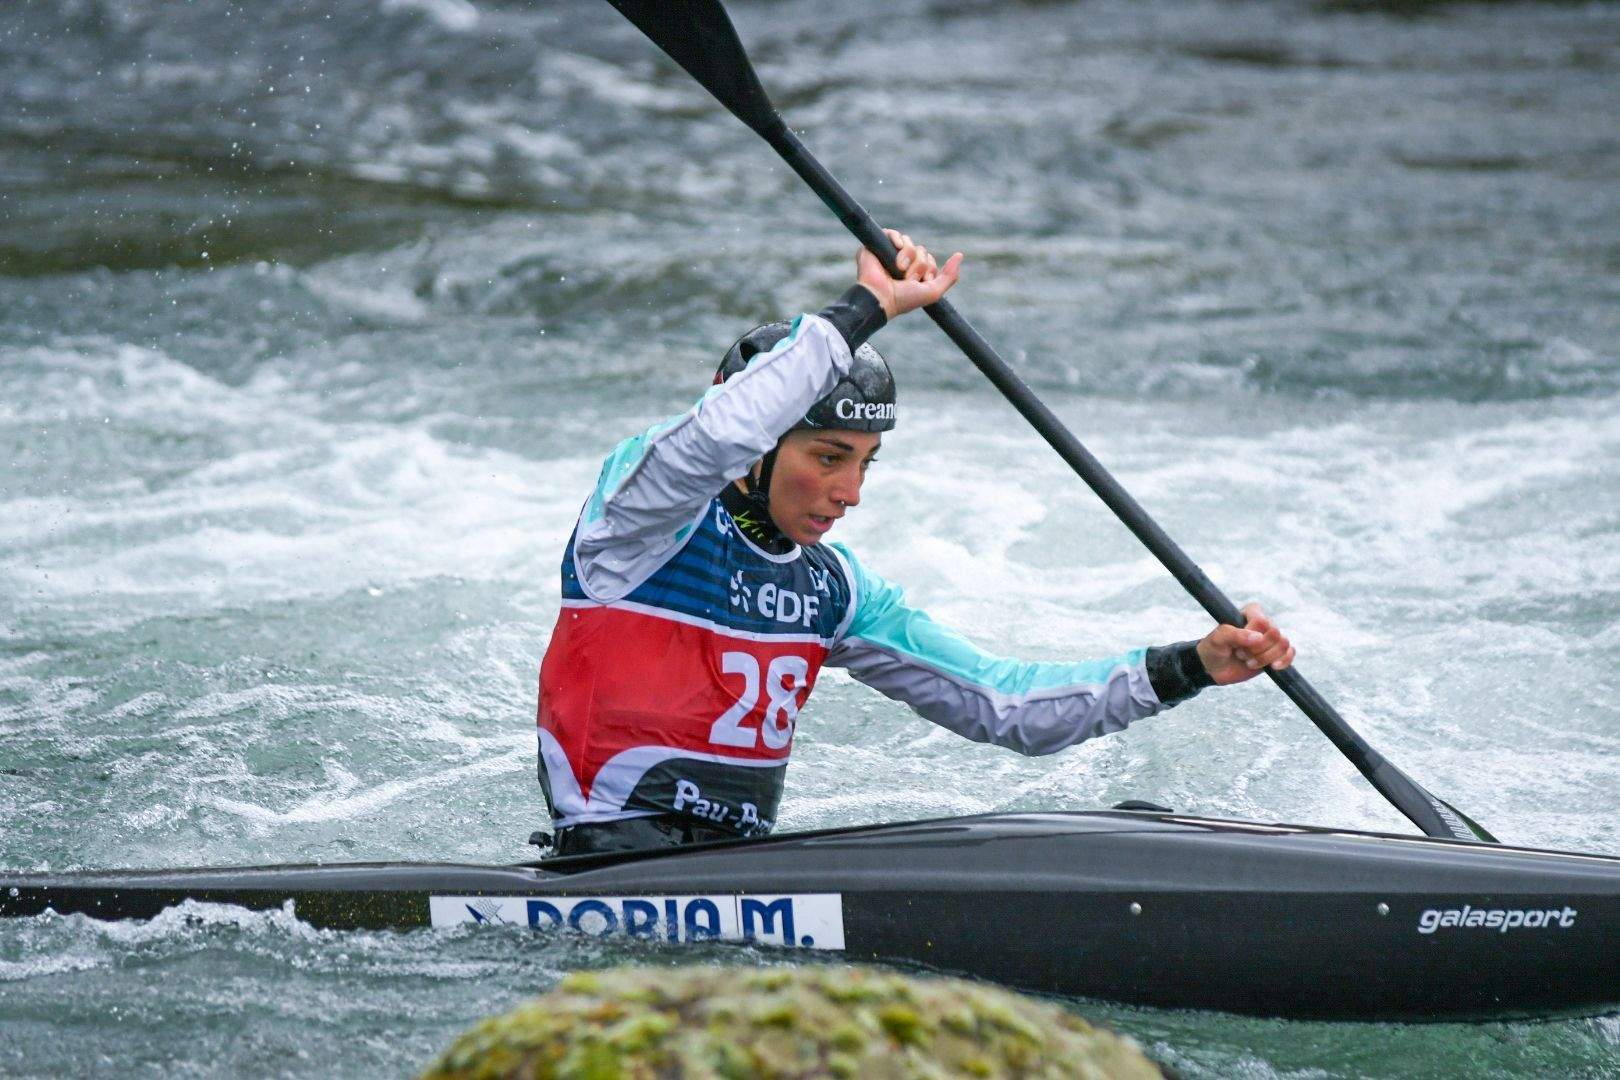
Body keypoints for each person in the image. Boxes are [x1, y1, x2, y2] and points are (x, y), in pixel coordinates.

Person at [535, 230, 1294, 856]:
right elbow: (714, 432)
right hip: (607, 867)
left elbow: (1005, 702)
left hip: (738, 873)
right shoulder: (635, 529)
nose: (850, 492)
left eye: (865, 463)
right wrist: (864, 309)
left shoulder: (832, 591)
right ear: (762, 444)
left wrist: (1188, 666)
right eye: (828, 456)